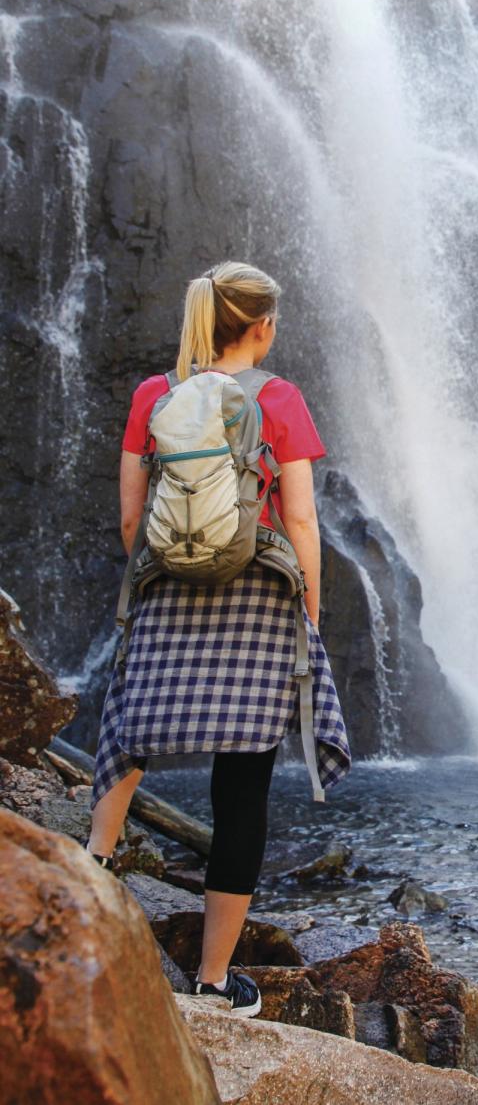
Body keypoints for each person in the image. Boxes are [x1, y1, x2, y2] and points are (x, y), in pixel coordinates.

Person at [86, 261, 351, 1015]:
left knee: (131, 729)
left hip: (169, 586)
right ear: (262, 326)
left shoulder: (153, 395)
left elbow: (133, 518)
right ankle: (210, 983)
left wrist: (153, 582)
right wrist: (310, 609)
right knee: (242, 790)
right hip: (260, 595)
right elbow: (300, 518)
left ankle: (89, 870)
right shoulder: (280, 398)